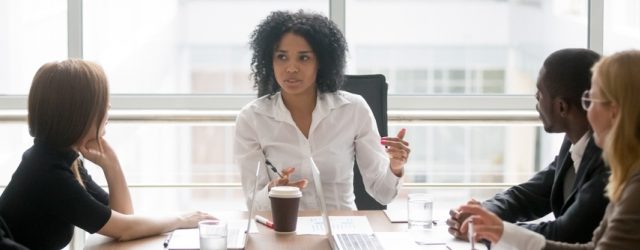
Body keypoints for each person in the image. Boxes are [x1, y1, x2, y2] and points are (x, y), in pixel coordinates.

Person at [0, 59, 215, 249]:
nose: (108, 107)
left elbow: (123, 219)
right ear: (78, 113)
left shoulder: (60, 158)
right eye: (101, 103)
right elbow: (125, 228)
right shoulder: (48, 171)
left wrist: (112, 166)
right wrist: (182, 219)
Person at [458, 49, 640, 249]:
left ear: (614, 112)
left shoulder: (623, 175)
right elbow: (594, 246)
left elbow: (569, 233)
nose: (587, 110)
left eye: (590, 100)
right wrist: (491, 223)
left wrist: (496, 231)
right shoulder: (623, 168)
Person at [234, 10, 410, 211]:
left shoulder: (353, 109)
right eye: (282, 57)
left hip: (342, 229)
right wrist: (272, 191)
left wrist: (395, 167)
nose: (291, 68)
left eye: (304, 58)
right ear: (269, 61)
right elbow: (253, 204)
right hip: (285, 229)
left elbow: (383, 193)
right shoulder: (252, 118)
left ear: (321, 62)